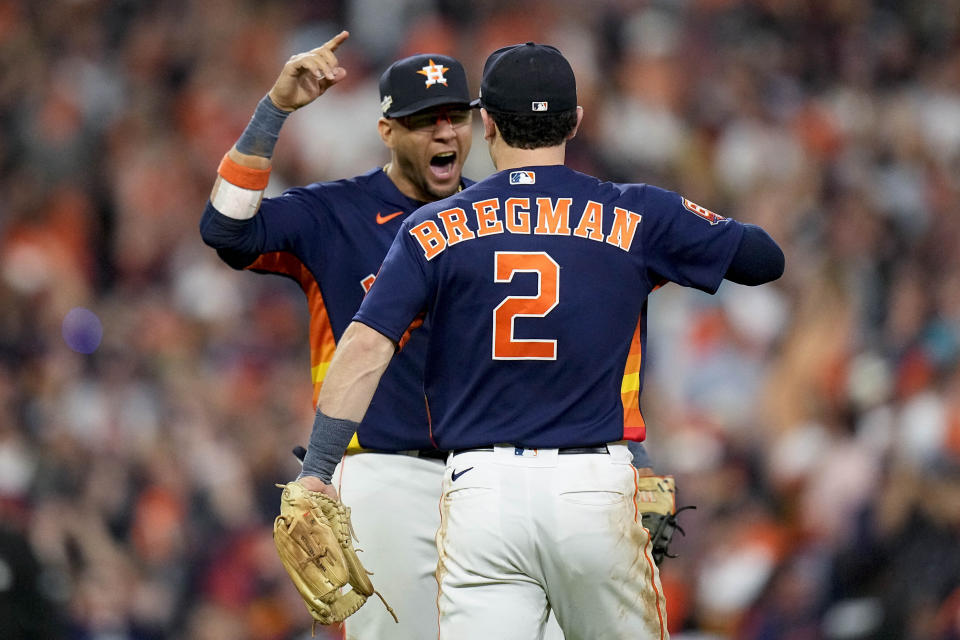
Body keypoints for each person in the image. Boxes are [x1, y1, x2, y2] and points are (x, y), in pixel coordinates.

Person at [295, 42, 785, 639]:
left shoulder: (431, 226)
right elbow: (764, 259)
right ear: (575, 120)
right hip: (593, 484)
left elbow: (366, 347)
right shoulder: (633, 214)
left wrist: (317, 469)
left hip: (480, 493)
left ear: (488, 122)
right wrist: (669, 231)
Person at [200, 31, 618, 639]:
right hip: (386, 475)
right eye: (425, 122)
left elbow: (563, 351)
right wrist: (275, 110)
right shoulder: (334, 214)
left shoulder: (494, 215)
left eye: (457, 118)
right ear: (388, 131)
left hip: (496, 477)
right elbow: (226, 230)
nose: (445, 134)